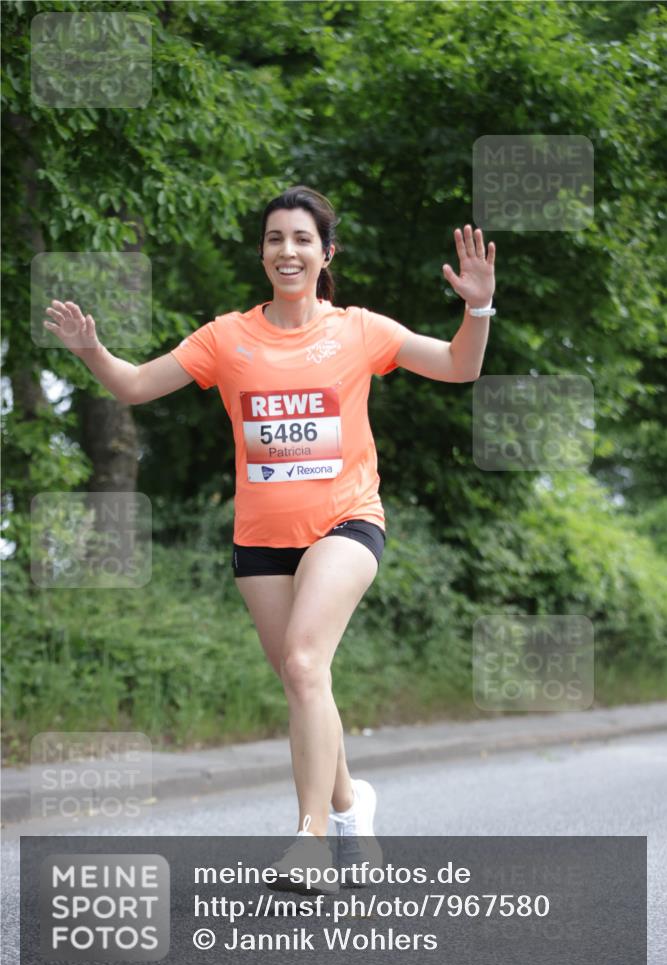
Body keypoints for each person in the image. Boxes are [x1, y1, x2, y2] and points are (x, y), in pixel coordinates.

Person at [44, 184, 495, 893]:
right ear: (262, 253)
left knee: (306, 659)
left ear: (325, 253)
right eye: (275, 239)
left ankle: (311, 840)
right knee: (300, 678)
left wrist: (477, 307)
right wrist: (92, 349)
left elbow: (458, 366)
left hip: (347, 521)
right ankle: (350, 805)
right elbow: (133, 386)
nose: (287, 251)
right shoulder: (226, 337)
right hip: (260, 538)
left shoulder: (359, 330)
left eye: (301, 239)